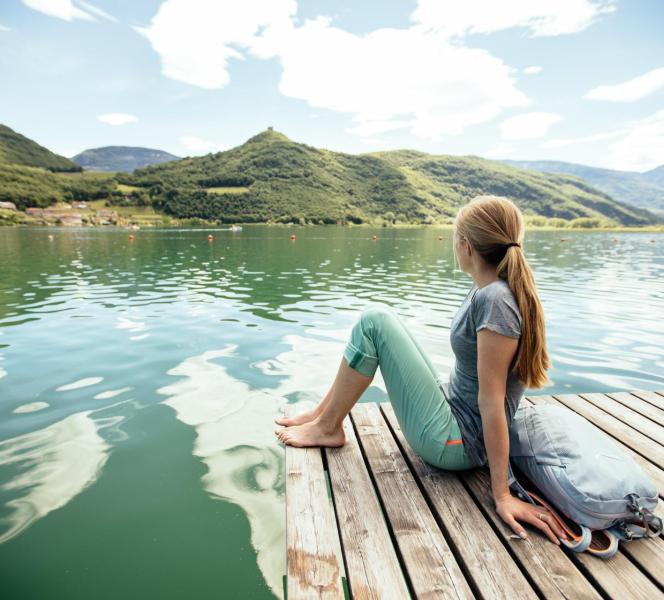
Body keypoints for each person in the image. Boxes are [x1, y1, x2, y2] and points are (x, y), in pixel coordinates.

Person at [274, 195, 566, 545]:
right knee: (384, 321)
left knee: (374, 322)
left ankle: (327, 426)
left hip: (457, 442)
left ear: (466, 245)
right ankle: (324, 415)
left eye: (455, 240)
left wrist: (502, 493)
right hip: (454, 413)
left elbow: (492, 402)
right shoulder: (486, 289)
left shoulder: (496, 301)